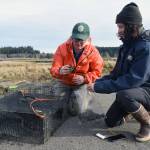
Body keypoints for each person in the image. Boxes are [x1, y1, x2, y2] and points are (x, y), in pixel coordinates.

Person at [88, 2, 150, 142]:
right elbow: (116, 75)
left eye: (121, 26)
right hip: (136, 91)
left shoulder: (146, 47)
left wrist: (99, 88)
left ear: (131, 26)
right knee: (110, 122)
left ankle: (147, 123)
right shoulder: (125, 47)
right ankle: (134, 110)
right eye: (118, 26)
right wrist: (95, 82)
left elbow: (133, 80)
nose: (119, 30)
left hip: (146, 90)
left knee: (124, 95)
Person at [50, 22, 104, 117]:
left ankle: (87, 96)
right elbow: (54, 69)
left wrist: (84, 78)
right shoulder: (61, 48)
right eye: (76, 40)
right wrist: (60, 71)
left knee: (78, 110)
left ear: (88, 39)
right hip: (64, 82)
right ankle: (70, 96)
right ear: (72, 38)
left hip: (82, 84)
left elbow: (97, 72)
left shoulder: (93, 52)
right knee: (54, 103)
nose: (78, 44)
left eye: (82, 40)